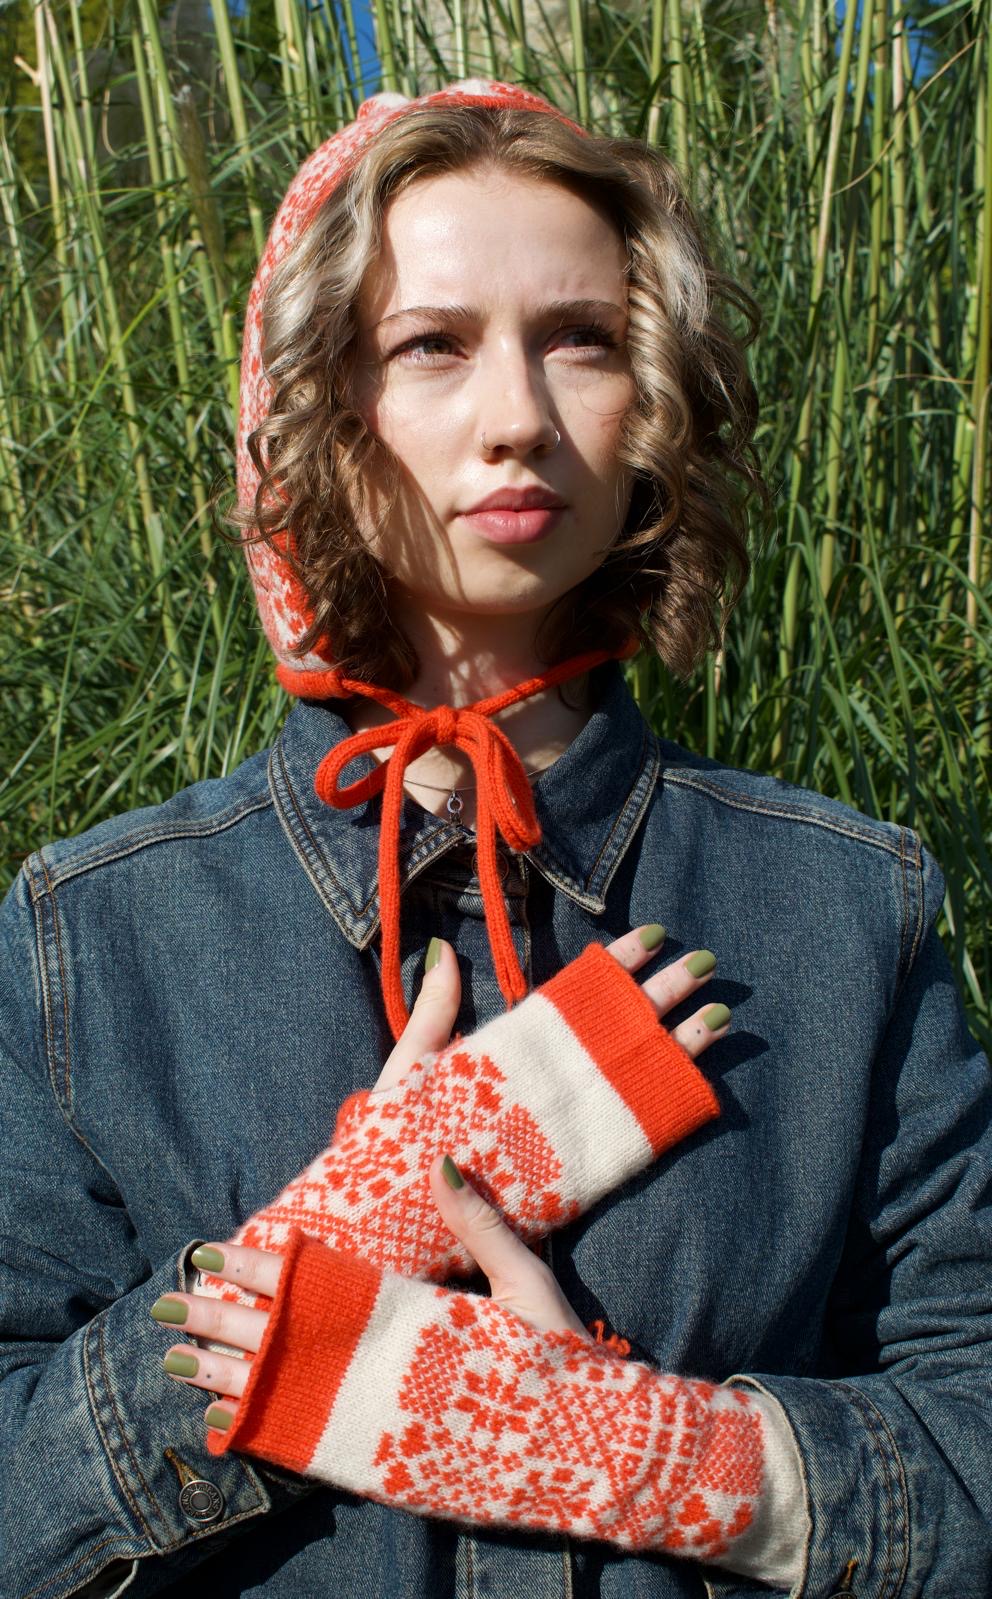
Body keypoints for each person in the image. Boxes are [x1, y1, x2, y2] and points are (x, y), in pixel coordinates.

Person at [0, 77, 988, 1599]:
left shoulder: (846, 909)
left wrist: (641, 1455)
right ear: (316, 405)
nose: (518, 418)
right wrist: (302, 1293)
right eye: (432, 346)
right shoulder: (93, 939)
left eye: (581, 339)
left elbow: (973, 1446)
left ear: (653, 399)